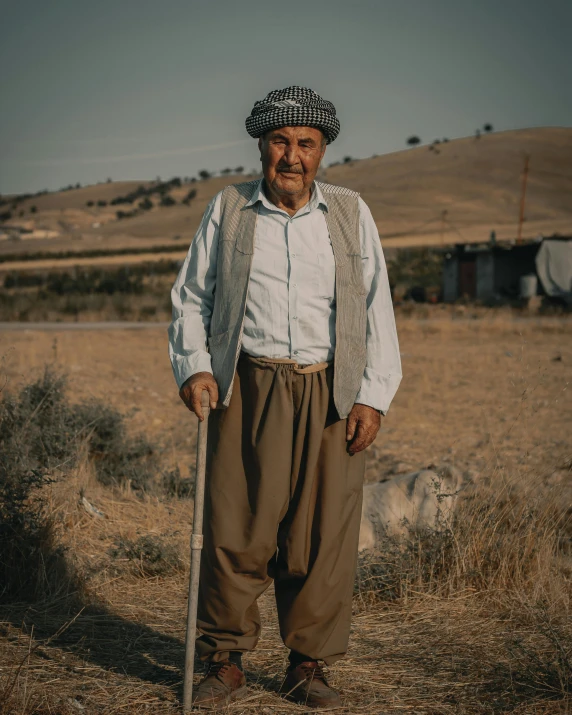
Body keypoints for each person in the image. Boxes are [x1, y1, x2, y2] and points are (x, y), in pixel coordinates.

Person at [168, 85, 402, 709]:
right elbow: (192, 297)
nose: (292, 156)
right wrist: (195, 369)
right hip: (248, 384)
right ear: (261, 147)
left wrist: (373, 397)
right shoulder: (230, 210)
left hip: (333, 390)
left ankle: (308, 664)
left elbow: (377, 306)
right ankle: (225, 659)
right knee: (235, 525)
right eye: (281, 142)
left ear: (323, 150)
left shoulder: (350, 213)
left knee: (322, 535)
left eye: (306, 143)